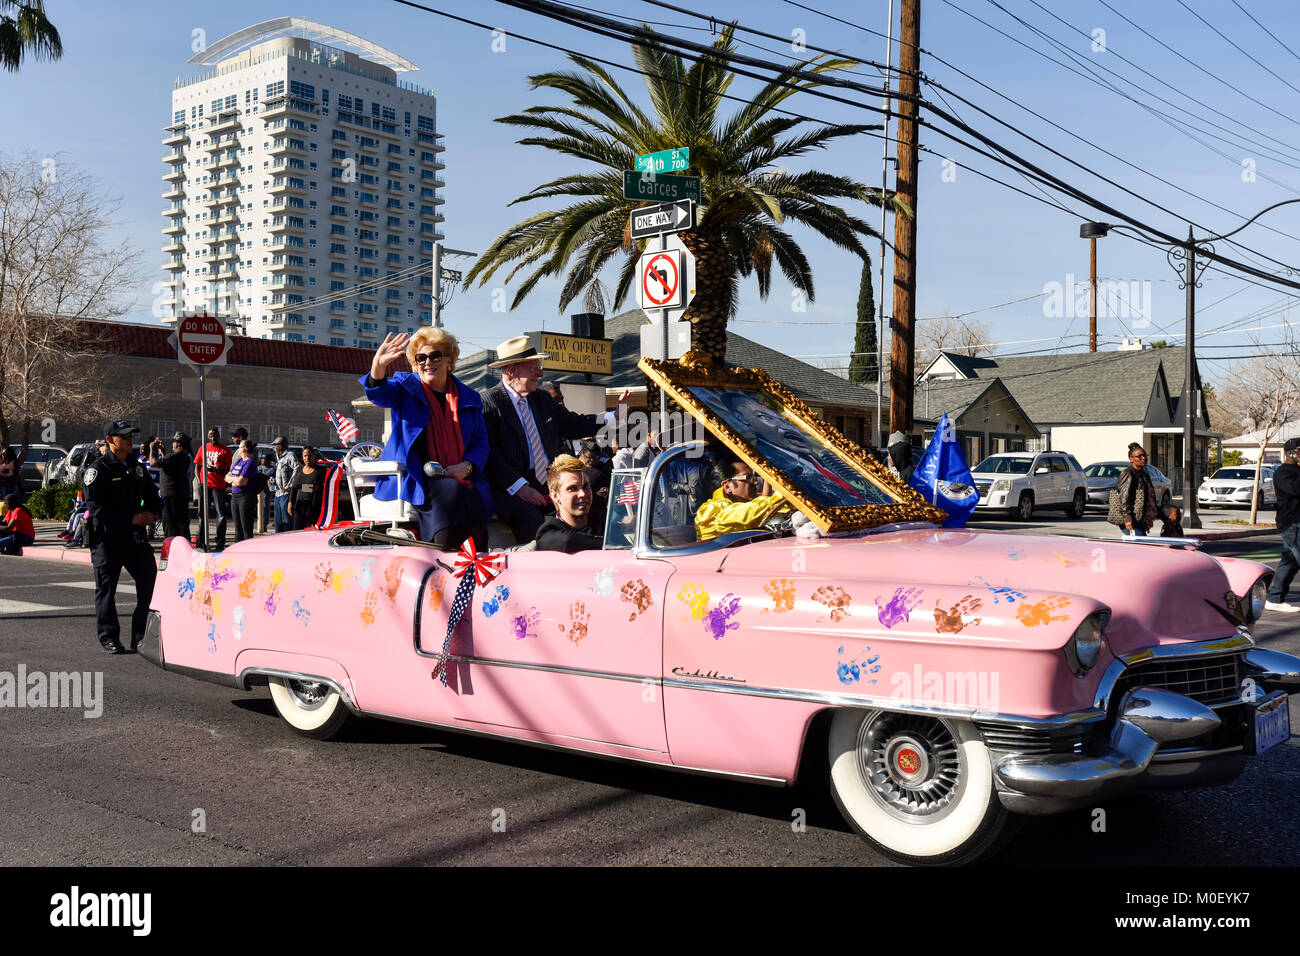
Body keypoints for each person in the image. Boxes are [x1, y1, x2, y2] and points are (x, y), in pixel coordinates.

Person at [482, 335, 626, 543]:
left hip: (549, 484)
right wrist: (520, 487)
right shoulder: (488, 403)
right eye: (534, 368)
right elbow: (490, 456)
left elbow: (573, 424)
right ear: (512, 370)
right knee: (532, 519)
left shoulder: (542, 399)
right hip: (512, 490)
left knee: (593, 506)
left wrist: (613, 416)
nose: (540, 373)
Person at [360, 329, 491, 550]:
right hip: (413, 476)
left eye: (435, 355)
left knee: (473, 498)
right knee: (452, 492)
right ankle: (442, 559)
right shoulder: (405, 387)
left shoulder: (469, 397)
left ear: (449, 359)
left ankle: (476, 564)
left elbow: (481, 443)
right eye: (421, 358)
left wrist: (466, 467)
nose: (427, 362)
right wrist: (378, 366)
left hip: (458, 474)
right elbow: (379, 394)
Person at [85, 420, 161, 654]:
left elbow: (153, 496)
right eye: (125, 436)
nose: (131, 440)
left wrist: (152, 511)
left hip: (134, 538)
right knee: (107, 589)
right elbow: (95, 508)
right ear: (110, 440)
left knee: (150, 582)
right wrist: (130, 518)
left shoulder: (136, 468)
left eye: (132, 435)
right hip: (107, 539)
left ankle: (140, 636)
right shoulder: (97, 470)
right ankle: (109, 637)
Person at [695, 459, 789, 541]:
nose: (755, 482)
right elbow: (746, 515)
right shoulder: (710, 512)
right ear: (727, 486)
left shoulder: (741, 501)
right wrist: (786, 493)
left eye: (754, 477)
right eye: (747, 477)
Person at [533, 454, 604, 552]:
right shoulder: (548, 534)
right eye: (572, 488)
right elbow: (567, 541)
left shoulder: (602, 521)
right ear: (555, 496)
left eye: (585, 486)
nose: (582, 494)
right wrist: (609, 544)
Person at [1265, 437, 1300, 612]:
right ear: (1290, 453)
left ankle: (1275, 598)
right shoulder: (1284, 472)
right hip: (1292, 523)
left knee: (1290, 561)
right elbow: (1294, 489)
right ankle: (1275, 598)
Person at [194, 427, 232, 550]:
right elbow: (197, 467)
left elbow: (228, 470)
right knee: (202, 513)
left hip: (218, 486)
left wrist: (217, 470)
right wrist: (200, 482)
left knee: (220, 514)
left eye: (215, 435)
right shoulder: (203, 448)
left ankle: (220, 541)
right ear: (208, 436)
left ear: (218, 436)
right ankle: (201, 540)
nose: (212, 437)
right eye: (210, 435)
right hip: (204, 485)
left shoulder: (225, 450)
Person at [1116, 442, 1159, 537]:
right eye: (1139, 456)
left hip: (1139, 518)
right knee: (1142, 544)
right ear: (1131, 459)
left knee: (1138, 546)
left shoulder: (1144, 475)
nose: (1143, 458)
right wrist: (1128, 518)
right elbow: (1124, 498)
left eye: (1144, 455)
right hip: (1130, 518)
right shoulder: (1129, 473)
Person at [156, 432, 192, 541]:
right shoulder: (185, 456)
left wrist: (151, 449)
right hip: (181, 493)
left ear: (179, 444)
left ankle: (171, 547)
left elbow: (153, 462)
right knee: (181, 524)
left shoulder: (173, 456)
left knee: (170, 525)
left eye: (174, 442)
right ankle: (184, 547)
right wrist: (163, 453)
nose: (173, 444)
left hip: (171, 496)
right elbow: (169, 466)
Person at [287, 447, 326, 531]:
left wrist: (318, 488)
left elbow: (326, 487)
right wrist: (290, 503)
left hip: (313, 507)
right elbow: (294, 488)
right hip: (299, 506)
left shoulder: (320, 470)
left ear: (314, 456)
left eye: (309, 456)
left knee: (312, 533)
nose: (307, 458)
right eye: (305, 456)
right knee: (297, 532)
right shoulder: (299, 469)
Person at [227, 439, 258, 543]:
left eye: (239, 447)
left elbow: (241, 482)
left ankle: (248, 552)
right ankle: (237, 552)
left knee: (246, 528)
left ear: (243, 449)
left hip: (245, 497)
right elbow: (227, 477)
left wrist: (234, 480)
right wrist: (234, 480)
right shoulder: (239, 461)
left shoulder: (250, 462)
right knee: (237, 528)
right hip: (235, 496)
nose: (238, 449)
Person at [272, 435, 297, 533]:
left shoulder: (290, 455)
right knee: (278, 522)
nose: (274, 447)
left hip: (286, 494)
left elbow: (297, 469)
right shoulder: (279, 457)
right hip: (278, 493)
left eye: (276, 445)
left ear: (281, 445)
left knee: (286, 521)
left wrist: (289, 485)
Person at [257, 453, 275, 533]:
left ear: (268, 461)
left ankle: (264, 524)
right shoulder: (259, 468)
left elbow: (273, 479)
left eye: (264, 459)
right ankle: (259, 523)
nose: (262, 460)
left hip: (267, 491)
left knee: (265, 506)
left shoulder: (272, 469)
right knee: (258, 507)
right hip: (258, 490)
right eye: (261, 459)